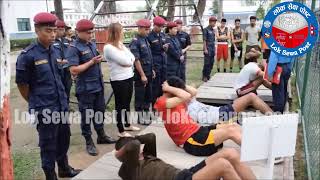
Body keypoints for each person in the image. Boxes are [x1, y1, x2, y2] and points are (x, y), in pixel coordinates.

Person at [15, 12, 81, 179]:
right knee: (48, 145)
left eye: (54, 30)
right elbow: (22, 85)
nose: (52, 35)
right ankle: (50, 176)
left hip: (60, 106)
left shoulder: (53, 51)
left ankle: (64, 169)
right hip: (45, 110)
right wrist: (35, 102)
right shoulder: (27, 55)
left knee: (63, 139)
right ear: (37, 30)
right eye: (48, 31)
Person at [154, 76, 243, 157]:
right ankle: (251, 150)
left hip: (198, 131)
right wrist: (169, 88)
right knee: (231, 132)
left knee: (233, 125)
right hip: (191, 142)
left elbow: (194, 92)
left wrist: (179, 86)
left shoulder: (179, 99)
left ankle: (251, 142)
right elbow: (187, 95)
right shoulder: (162, 102)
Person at [67, 19, 116, 156]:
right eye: (88, 33)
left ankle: (101, 136)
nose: (91, 35)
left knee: (99, 112)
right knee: (87, 116)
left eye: (92, 32)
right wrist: (91, 62)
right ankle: (89, 141)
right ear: (78, 32)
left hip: (97, 86)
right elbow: (74, 70)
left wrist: (96, 60)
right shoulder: (74, 48)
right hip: (85, 89)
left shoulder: (91, 44)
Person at [115, 133, 256, 180]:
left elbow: (151, 136)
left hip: (185, 174)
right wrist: (119, 151)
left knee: (229, 153)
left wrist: (134, 137)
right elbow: (132, 145)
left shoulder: (146, 155)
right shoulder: (129, 169)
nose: (140, 147)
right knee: (222, 165)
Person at [104, 23, 140, 137]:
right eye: (121, 30)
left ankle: (128, 124)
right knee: (120, 105)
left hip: (128, 76)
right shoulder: (108, 47)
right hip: (119, 79)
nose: (123, 32)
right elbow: (127, 62)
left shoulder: (120, 44)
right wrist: (129, 61)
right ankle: (121, 130)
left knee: (127, 103)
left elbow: (132, 58)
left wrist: (129, 60)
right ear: (116, 33)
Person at [186, 87, 272, 126]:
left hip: (221, 110)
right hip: (221, 115)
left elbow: (194, 91)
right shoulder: (185, 109)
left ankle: (273, 117)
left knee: (241, 101)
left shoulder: (189, 101)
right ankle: (275, 118)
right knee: (251, 97)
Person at [129, 19, 155, 126]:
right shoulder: (135, 41)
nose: (148, 31)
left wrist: (152, 69)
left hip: (148, 72)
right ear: (139, 28)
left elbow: (149, 56)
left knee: (148, 95)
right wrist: (143, 75)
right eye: (146, 29)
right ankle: (140, 118)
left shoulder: (145, 40)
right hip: (141, 74)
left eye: (149, 29)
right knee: (140, 96)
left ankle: (146, 115)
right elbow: (136, 60)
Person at [147, 16, 167, 104]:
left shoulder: (162, 35)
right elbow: (148, 52)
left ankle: (161, 101)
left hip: (163, 62)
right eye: (159, 26)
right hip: (155, 63)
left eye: (162, 27)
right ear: (154, 25)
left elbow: (164, 48)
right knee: (155, 85)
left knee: (163, 83)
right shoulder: (149, 36)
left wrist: (165, 48)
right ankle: (154, 103)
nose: (160, 28)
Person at [53, 20, 72, 103]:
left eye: (63, 29)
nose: (62, 31)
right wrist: (58, 61)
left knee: (67, 88)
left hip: (67, 70)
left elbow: (71, 52)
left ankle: (66, 106)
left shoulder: (66, 40)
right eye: (60, 29)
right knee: (58, 90)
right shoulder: (50, 41)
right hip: (57, 70)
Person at [202, 16, 217, 82]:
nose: (214, 23)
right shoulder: (206, 29)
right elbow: (204, 40)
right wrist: (205, 49)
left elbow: (214, 41)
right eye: (214, 22)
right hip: (207, 48)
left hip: (212, 48)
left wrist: (215, 49)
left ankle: (208, 75)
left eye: (215, 22)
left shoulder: (213, 30)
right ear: (210, 22)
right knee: (207, 63)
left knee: (211, 63)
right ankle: (204, 76)